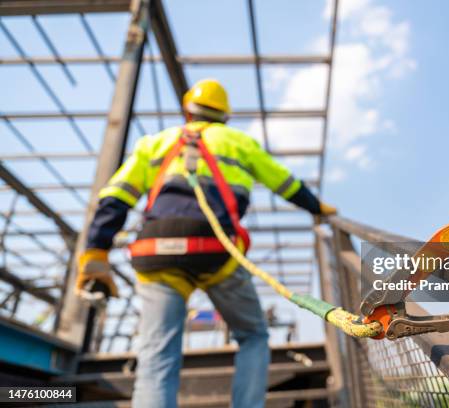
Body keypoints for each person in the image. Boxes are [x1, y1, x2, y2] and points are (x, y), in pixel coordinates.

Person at [75, 79, 337, 408]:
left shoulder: (154, 143)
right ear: (224, 116)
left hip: (155, 251)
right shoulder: (239, 142)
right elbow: (286, 184)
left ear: (188, 110)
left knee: (157, 353)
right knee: (254, 335)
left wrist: (96, 251)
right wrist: (317, 208)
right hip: (216, 251)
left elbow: (114, 198)